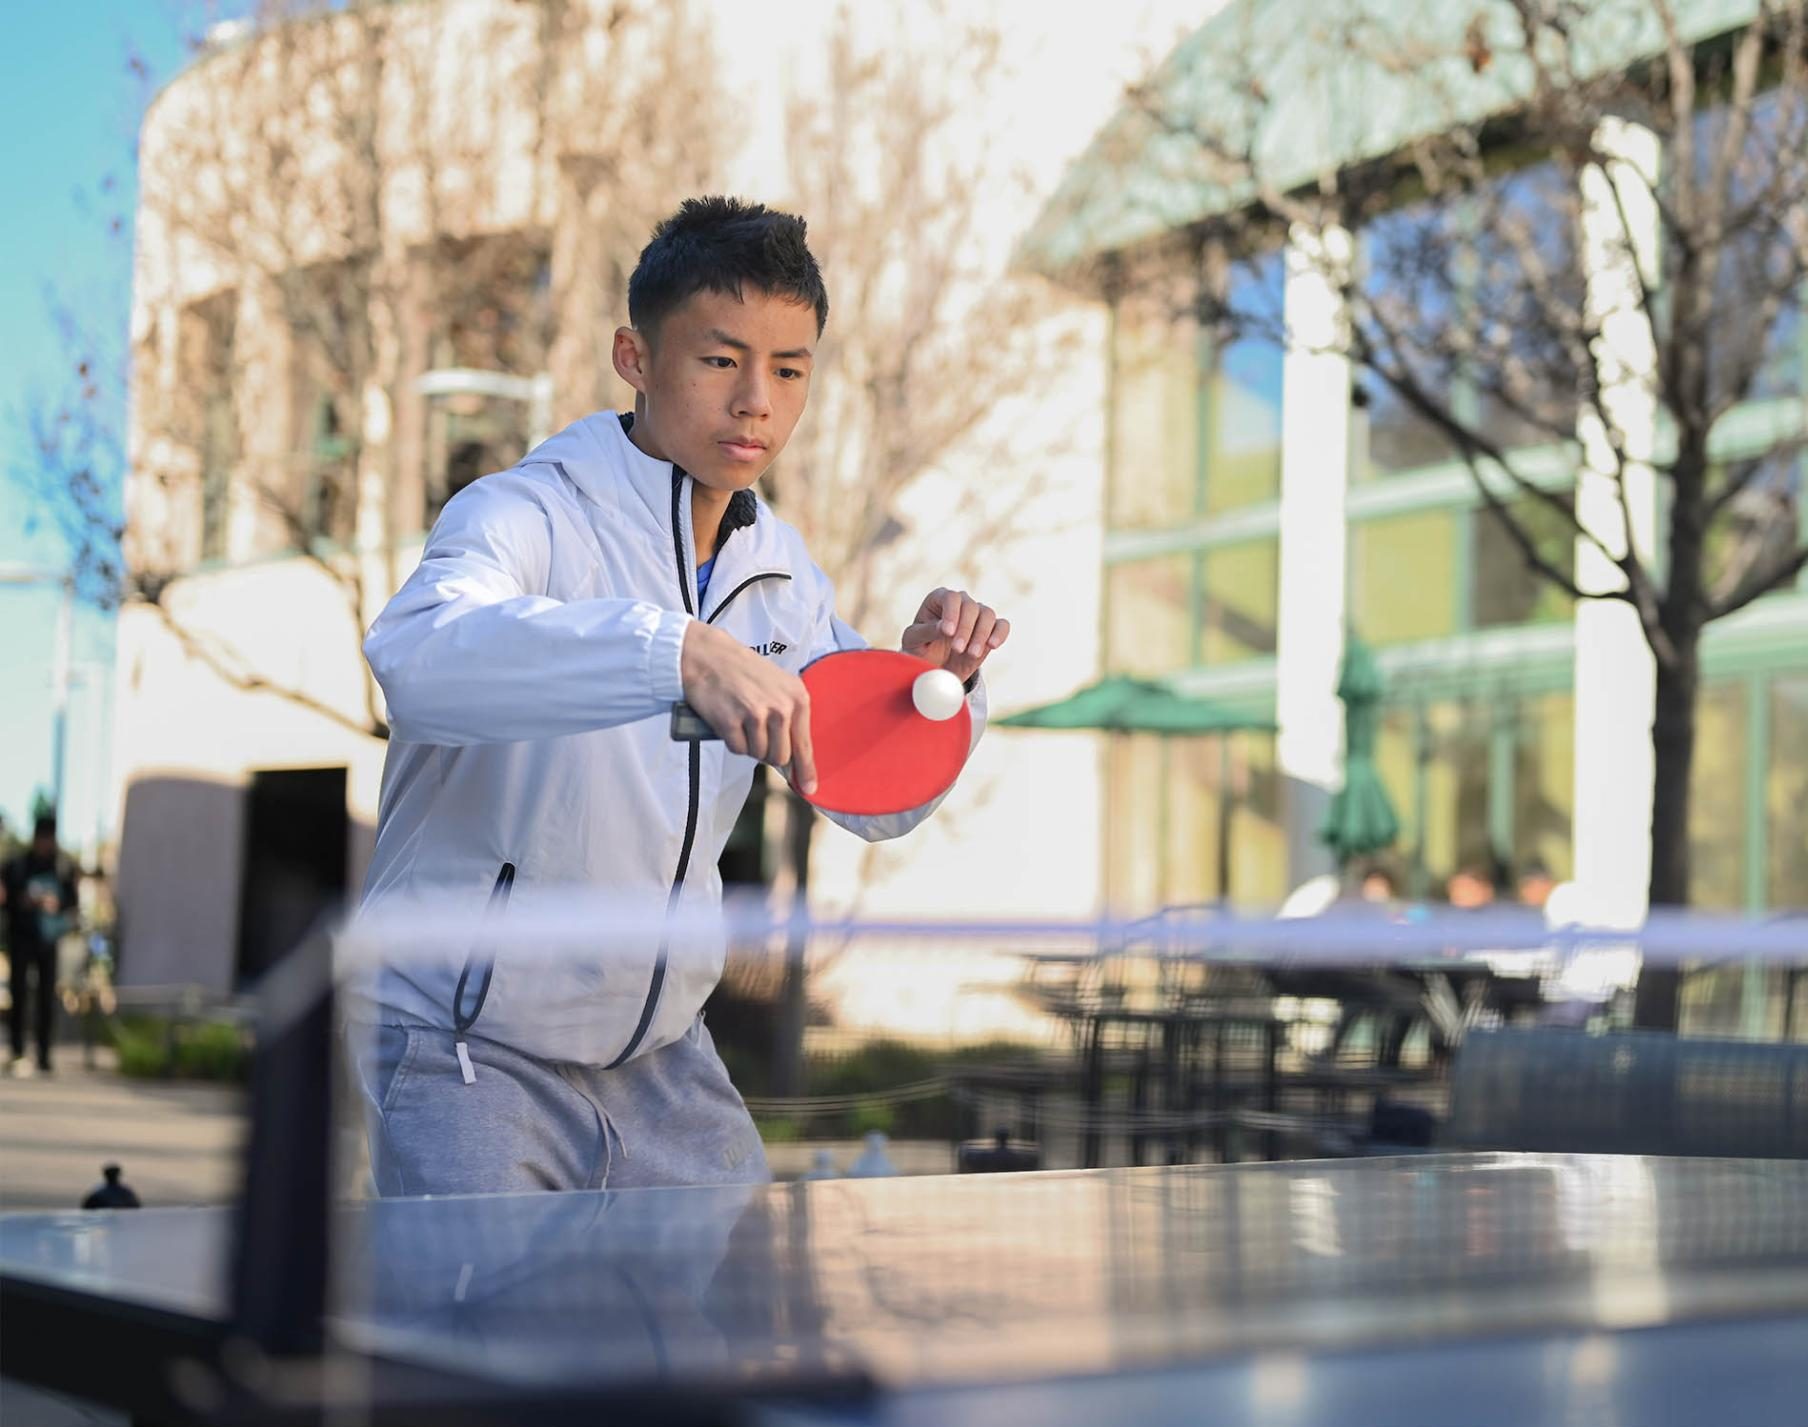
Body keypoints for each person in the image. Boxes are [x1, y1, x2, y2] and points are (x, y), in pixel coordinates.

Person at [348, 197, 1010, 1197]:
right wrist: (673, 652)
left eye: (789, 369)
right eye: (719, 359)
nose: (757, 400)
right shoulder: (524, 513)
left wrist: (928, 690)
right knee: (480, 1355)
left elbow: (869, 797)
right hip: (466, 1045)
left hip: (664, 1060)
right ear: (635, 357)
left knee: (741, 1337)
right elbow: (418, 658)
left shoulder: (783, 576)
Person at [4, 814, 78, 1076]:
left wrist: (56, 906)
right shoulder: (18, 865)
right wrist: (22, 901)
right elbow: (6, 898)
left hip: (48, 941)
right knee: (19, 994)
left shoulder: (62, 867)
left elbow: (72, 904)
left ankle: (44, 1054)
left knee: (47, 997)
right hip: (22, 938)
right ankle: (17, 1051)